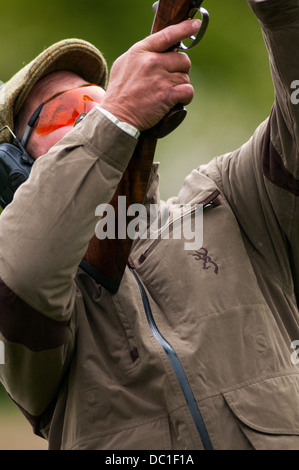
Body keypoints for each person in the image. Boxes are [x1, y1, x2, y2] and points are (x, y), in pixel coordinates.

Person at [0, 0, 299, 451]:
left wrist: (283, 13)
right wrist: (116, 114)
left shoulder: (228, 199)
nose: (90, 117)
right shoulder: (34, 304)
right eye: (65, 114)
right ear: (15, 170)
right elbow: (24, 276)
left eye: (95, 99)